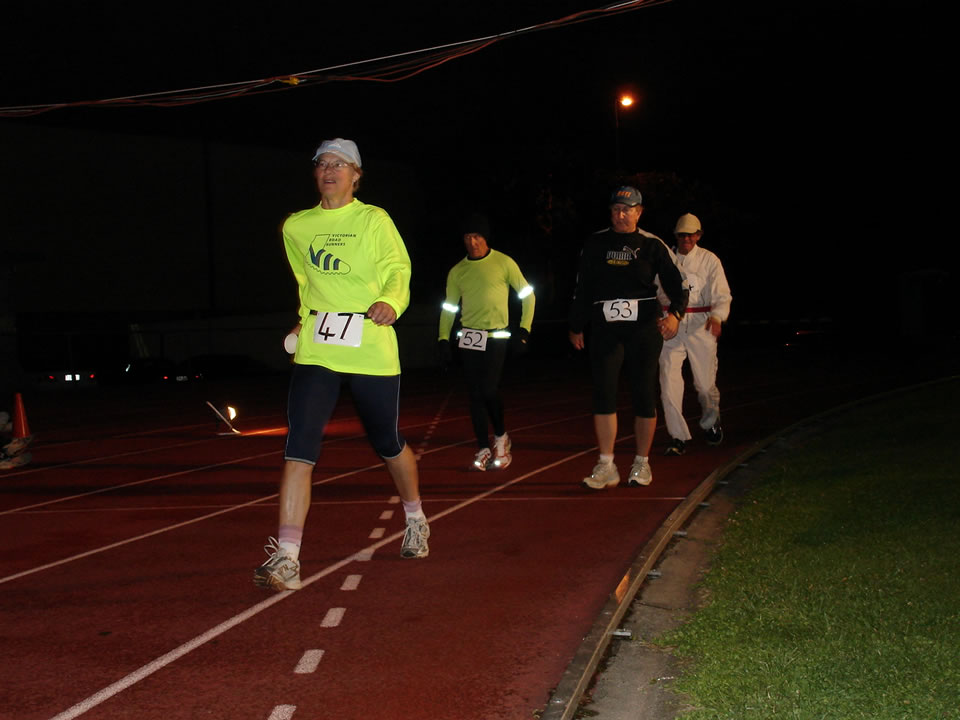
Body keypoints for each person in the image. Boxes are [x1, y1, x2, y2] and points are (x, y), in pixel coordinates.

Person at [254, 138, 430, 592]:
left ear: (356, 175)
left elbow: (398, 269)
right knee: (299, 446)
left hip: (370, 341)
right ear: (315, 174)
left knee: (387, 440)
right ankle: (288, 557)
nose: (330, 170)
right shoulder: (296, 226)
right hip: (319, 347)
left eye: (341, 164)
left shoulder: (374, 219)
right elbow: (304, 282)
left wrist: (391, 301)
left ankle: (414, 517)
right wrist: (301, 321)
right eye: (323, 163)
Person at [568, 186, 687, 490]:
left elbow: (678, 285)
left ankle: (641, 463)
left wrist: (674, 314)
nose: (621, 215)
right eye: (616, 209)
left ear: (639, 212)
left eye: (627, 210)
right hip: (606, 328)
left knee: (643, 393)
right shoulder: (595, 243)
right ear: (610, 212)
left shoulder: (652, 245)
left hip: (643, 329)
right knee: (603, 392)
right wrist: (577, 325)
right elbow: (584, 288)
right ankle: (606, 464)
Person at [438, 213, 536, 470]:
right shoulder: (457, 271)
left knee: (489, 390)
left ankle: (502, 437)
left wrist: (524, 329)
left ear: (486, 237)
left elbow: (527, 295)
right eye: (468, 237)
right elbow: (449, 308)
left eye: (477, 236)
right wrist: (443, 338)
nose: (473, 242)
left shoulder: (504, 263)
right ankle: (483, 446)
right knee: (474, 395)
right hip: (469, 336)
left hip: (497, 336)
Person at [658, 213, 732, 455]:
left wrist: (717, 316)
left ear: (698, 235)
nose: (686, 238)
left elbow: (722, 293)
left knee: (704, 384)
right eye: (682, 234)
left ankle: (711, 423)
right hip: (671, 323)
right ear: (676, 236)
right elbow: (654, 290)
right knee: (668, 381)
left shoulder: (710, 260)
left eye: (691, 234)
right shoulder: (665, 258)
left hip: (701, 324)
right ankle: (677, 436)